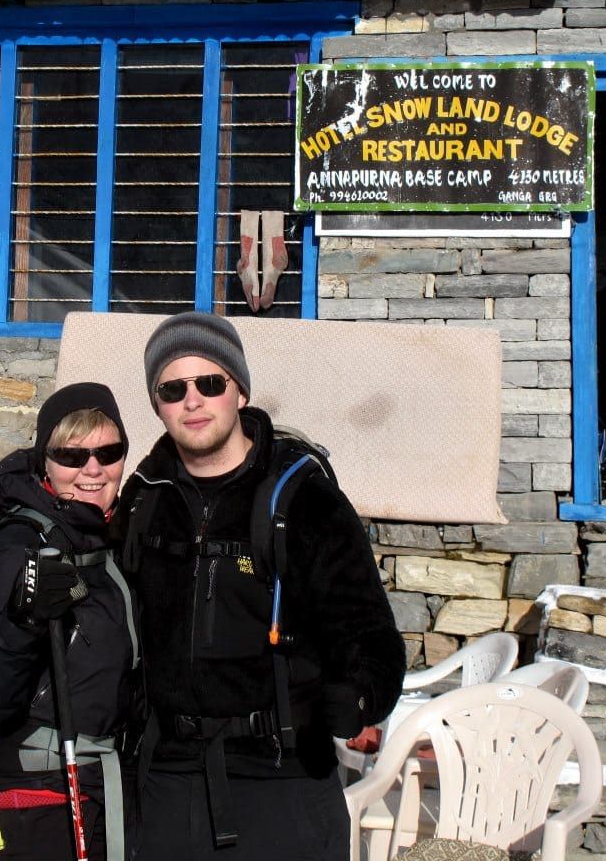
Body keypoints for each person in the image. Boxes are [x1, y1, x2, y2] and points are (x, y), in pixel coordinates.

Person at [118, 311, 405, 861]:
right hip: (168, 778)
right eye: (173, 389)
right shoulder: (144, 497)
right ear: (157, 405)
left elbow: (366, 627)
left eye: (210, 383)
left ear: (240, 392)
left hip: (285, 776)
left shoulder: (302, 498)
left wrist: (361, 692)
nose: (193, 401)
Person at [0, 382, 139, 861]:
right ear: (44, 463)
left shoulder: (103, 538)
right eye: (71, 455)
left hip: (103, 785)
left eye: (108, 451)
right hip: (39, 795)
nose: (93, 469)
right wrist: (25, 621)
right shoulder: (18, 544)